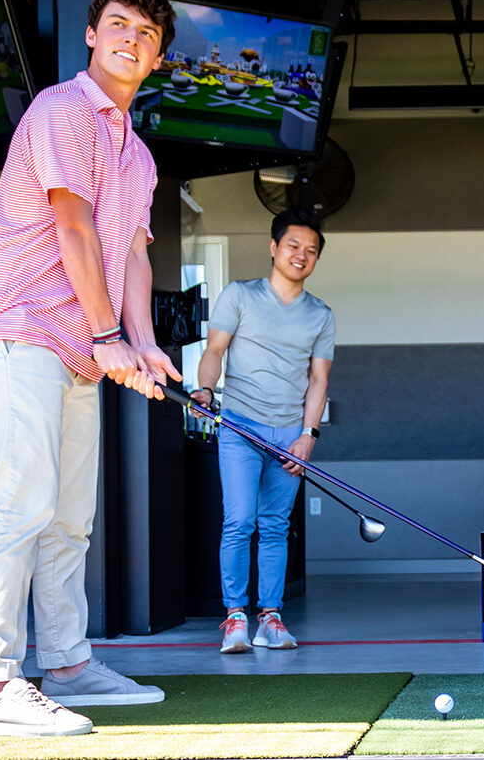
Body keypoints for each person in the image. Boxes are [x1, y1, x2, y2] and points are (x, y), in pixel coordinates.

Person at [0, 0, 179, 737]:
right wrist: (111, 336)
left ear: (157, 58)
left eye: (146, 34)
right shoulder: (63, 109)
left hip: (80, 342)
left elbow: (134, 260)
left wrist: (141, 342)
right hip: (19, 324)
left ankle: (71, 662)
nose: (130, 39)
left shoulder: (140, 155)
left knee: (70, 517)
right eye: (118, 24)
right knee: (25, 493)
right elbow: (74, 225)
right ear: (91, 36)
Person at [191, 207, 334, 653]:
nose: (301, 255)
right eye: (293, 245)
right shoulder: (239, 295)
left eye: (311, 250)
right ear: (274, 248)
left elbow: (319, 380)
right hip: (240, 425)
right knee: (239, 521)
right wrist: (205, 390)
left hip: (290, 433)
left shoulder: (321, 315)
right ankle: (235, 617)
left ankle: (269, 618)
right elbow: (215, 350)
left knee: (276, 525)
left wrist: (309, 434)